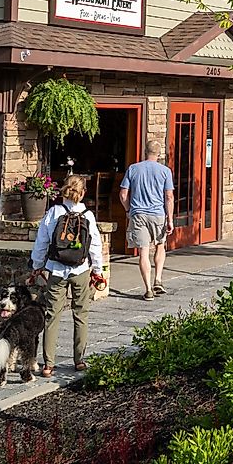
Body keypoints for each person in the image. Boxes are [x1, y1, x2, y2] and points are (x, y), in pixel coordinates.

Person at [30, 174, 104, 376]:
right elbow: (95, 246)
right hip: (81, 269)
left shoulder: (54, 212)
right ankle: (79, 360)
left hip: (56, 268)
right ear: (83, 193)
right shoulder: (88, 215)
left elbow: (42, 242)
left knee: (52, 315)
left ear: (64, 189)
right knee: (81, 314)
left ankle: (48, 364)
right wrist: (98, 271)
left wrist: (37, 266)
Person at [119, 139, 174, 301]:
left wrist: (128, 209)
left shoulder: (133, 169)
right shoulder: (165, 171)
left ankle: (148, 289)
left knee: (143, 251)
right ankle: (158, 279)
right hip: (158, 214)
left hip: (138, 214)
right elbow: (169, 196)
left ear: (145, 152)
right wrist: (170, 219)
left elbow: (123, 194)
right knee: (160, 245)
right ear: (158, 154)